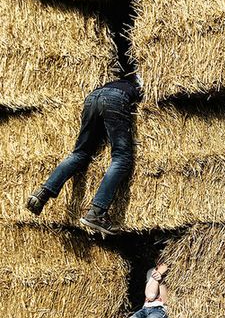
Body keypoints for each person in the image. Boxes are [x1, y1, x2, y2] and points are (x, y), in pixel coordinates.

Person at [26, 77, 142, 235]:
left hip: (92, 97)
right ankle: (97, 213)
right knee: (121, 159)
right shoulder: (140, 82)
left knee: (80, 154)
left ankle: (42, 193)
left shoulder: (112, 81)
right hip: (116, 99)